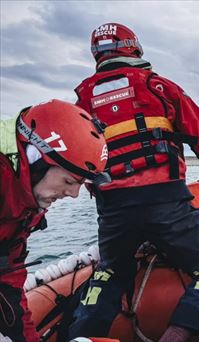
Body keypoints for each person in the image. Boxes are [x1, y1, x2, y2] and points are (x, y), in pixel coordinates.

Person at [69, 23, 199, 342]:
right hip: (167, 203)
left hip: (113, 209)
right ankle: (178, 332)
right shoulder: (158, 87)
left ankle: (82, 334)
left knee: (110, 272)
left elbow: (77, 158)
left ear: (95, 55)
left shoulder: (82, 101)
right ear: (134, 48)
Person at [1, 100, 108, 342]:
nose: (73, 194)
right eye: (69, 182)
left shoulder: (26, 203)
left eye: (80, 185)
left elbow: (7, 279)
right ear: (35, 157)